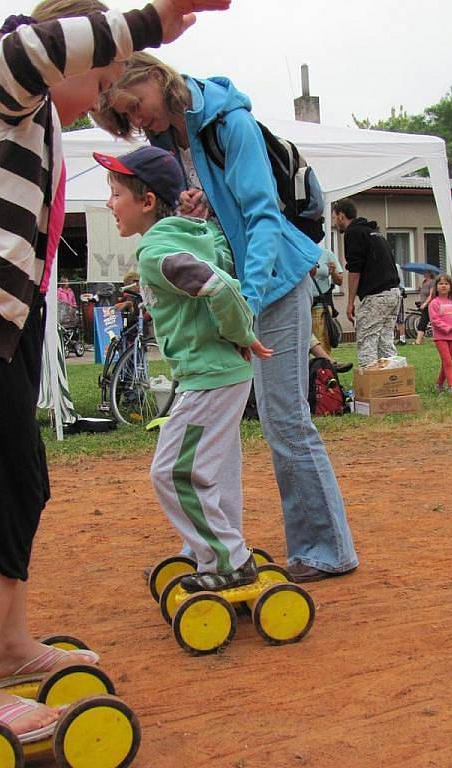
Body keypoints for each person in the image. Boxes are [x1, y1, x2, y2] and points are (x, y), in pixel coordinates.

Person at [0, 0, 230, 742]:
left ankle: (7, 643)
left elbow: (121, 125)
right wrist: (151, 21)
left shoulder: (40, 120)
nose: (101, 99)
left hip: (9, 321)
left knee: (23, 484)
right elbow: (33, 51)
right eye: (98, 78)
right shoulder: (3, 79)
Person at [93, 53, 358, 584]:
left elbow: (261, 218)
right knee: (224, 426)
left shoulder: (227, 122)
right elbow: (215, 223)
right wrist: (195, 217)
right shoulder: (168, 138)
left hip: (272, 282)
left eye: (133, 108)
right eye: (126, 120)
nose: (137, 123)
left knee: (284, 417)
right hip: (233, 289)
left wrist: (251, 302)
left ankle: (326, 548)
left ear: (152, 76)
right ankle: (220, 550)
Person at [94, 145, 273, 591]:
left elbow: (219, 284)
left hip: (210, 379)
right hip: (220, 376)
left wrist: (241, 333)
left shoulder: (156, 253)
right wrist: (201, 221)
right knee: (217, 468)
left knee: (173, 472)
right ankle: (209, 550)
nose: (109, 204)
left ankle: (228, 560)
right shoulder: (189, 234)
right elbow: (219, 256)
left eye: (115, 194)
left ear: (147, 201)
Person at [332, 198, 401, 368]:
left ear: (341, 215)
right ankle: (392, 382)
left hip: (376, 296)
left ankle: (371, 386)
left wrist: (350, 303)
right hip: (394, 294)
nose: (335, 222)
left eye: (334, 218)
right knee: (385, 341)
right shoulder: (375, 233)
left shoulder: (353, 233)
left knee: (367, 340)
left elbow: (355, 270)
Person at [428, 273, 452, 394]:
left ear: (450, 287)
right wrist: (448, 328)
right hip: (440, 337)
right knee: (447, 360)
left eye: (446, 284)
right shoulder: (434, 303)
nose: (443, 286)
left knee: (447, 361)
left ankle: (439, 384)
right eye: (441, 283)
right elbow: (435, 320)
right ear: (436, 287)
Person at [414, 270, 435, 345]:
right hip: (424, 306)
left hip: (430, 306)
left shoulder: (432, 282)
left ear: (429, 273)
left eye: (425, 272)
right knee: (423, 323)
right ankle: (419, 340)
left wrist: (425, 304)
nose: (424, 274)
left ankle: (418, 341)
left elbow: (431, 295)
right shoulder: (424, 282)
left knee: (426, 322)